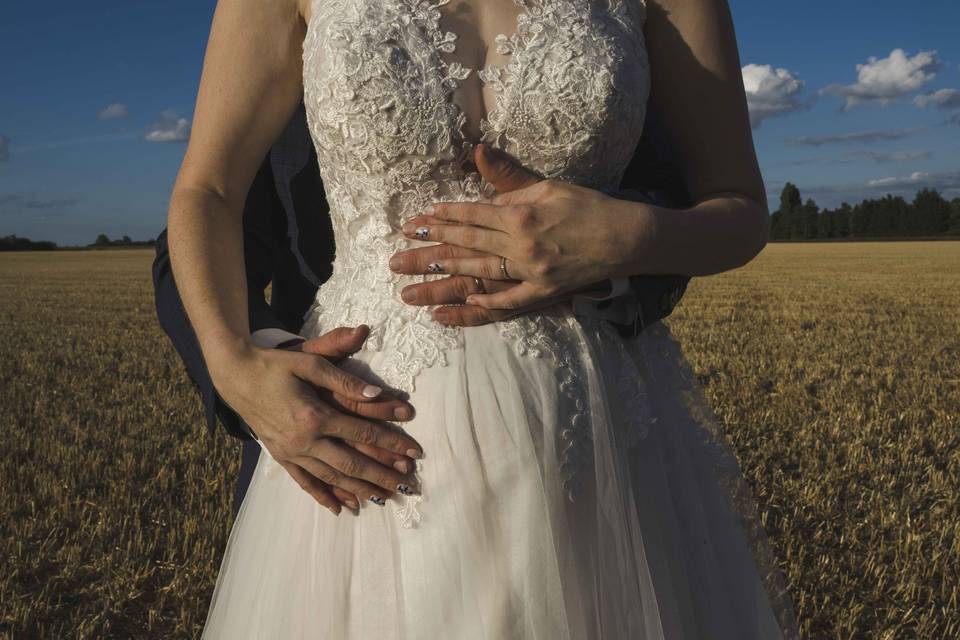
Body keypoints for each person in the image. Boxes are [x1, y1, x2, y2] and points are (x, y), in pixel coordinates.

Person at [165, 0, 801, 636]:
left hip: (594, 436)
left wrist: (634, 234)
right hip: (363, 443)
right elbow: (208, 189)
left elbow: (740, 207)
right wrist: (232, 363)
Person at [152, 101, 691, 516]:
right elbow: (201, 221)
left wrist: (604, 259)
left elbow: (673, 195)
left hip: (588, 436)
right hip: (348, 450)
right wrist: (246, 371)